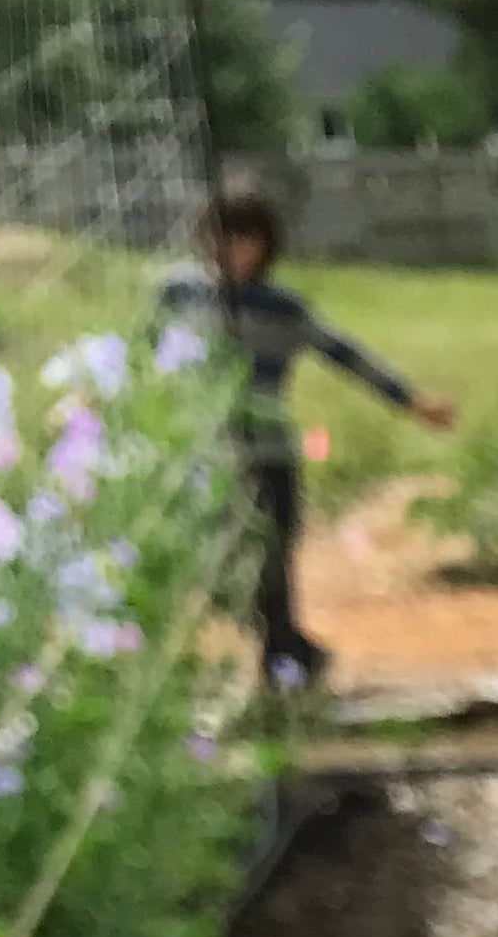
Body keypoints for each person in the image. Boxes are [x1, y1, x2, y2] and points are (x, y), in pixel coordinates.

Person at [156, 181, 456, 689]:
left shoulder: (282, 310)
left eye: (243, 239)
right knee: (218, 564)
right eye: (219, 236)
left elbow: (344, 353)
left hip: (267, 453)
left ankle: (286, 664)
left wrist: (409, 401)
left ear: (266, 246)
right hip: (203, 455)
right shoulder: (179, 293)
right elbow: (140, 355)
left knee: (273, 560)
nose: (230, 250)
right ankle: (288, 654)